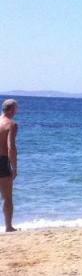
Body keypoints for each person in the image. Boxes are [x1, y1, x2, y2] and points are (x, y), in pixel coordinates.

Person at [0, 99, 17, 232]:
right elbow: (11, 147)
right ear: (12, 109)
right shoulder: (11, 124)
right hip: (2, 161)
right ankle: (8, 226)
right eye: (17, 108)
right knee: (7, 197)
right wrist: (14, 167)